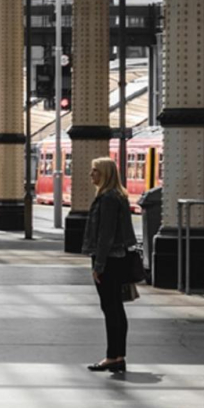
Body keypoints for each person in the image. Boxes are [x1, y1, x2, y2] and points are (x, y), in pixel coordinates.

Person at [82, 157, 137, 373]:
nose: (91, 174)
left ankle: (112, 357)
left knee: (110, 308)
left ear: (104, 173)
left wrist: (99, 265)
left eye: (95, 170)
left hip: (110, 260)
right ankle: (118, 355)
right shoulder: (118, 196)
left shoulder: (107, 199)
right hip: (119, 258)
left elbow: (105, 235)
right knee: (116, 308)